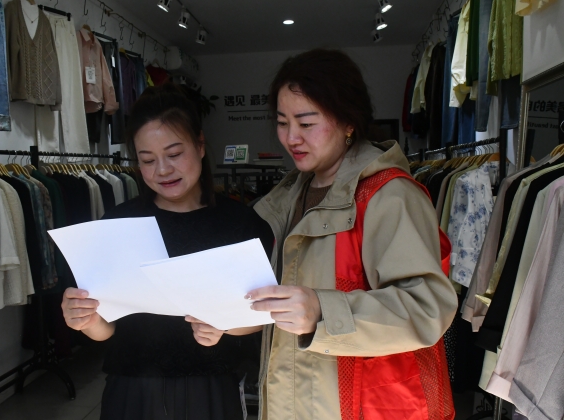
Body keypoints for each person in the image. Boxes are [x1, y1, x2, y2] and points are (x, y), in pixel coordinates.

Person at [195, 49, 459, 419]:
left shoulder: (388, 196)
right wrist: (226, 318)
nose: (291, 137)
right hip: (295, 400)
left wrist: (323, 309)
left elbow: (427, 308)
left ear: (348, 121)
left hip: (365, 407)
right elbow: (281, 306)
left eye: (306, 123)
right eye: (282, 122)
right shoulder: (288, 196)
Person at [60, 84, 273, 420]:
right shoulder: (119, 224)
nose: (162, 170)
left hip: (212, 385)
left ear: (200, 145)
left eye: (174, 154)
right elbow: (105, 328)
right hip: (131, 387)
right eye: (148, 160)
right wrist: (84, 319)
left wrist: (224, 326)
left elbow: (262, 315)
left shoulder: (239, 223)